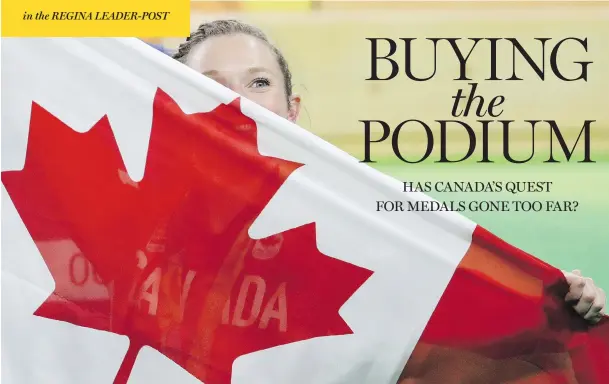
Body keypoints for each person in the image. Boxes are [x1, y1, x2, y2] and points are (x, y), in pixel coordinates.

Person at [171, 19, 606, 324]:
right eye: (209, 85)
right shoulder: (123, 223)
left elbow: (448, 308)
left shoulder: (359, 224)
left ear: (291, 111)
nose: (237, 102)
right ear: (174, 109)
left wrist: (545, 303)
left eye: (259, 82)